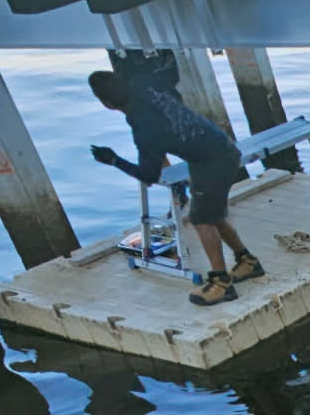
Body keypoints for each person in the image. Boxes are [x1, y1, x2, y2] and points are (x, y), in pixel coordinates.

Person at [88, 67, 265, 309]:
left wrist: (114, 160)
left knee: (202, 219)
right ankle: (247, 261)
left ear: (107, 104)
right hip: (214, 147)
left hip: (213, 159)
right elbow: (171, 75)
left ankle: (221, 283)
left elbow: (149, 175)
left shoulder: (144, 129)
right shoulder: (143, 79)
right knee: (209, 212)